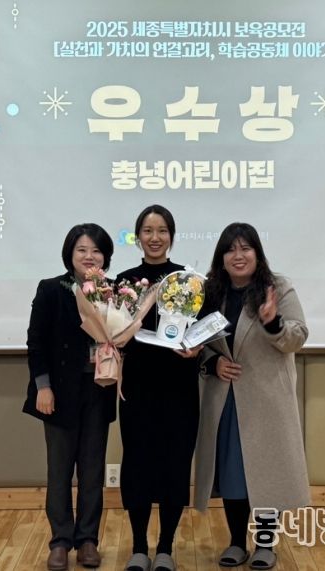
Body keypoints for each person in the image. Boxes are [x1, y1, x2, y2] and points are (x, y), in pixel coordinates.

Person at [194, 222, 310, 570]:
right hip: (224, 397)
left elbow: (298, 336)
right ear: (221, 257)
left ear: (257, 253)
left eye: (245, 248)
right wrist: (212, 362)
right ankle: (235, 541)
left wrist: (273, 322)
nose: (238, 255)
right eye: (230, 249)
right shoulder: (211, 292)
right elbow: (195, 340)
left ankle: (265, 544)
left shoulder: (278, 287)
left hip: (265, 398)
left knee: (265, 471)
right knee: (232, 472)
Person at [23, 223, 117, 571]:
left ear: (105, 256)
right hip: (59, 393)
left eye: (96, 250)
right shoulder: (51, 289)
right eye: (82, 250)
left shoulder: (114, 292)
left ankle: (88, 539)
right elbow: (36, 342)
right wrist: (43, 387)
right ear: (70, 254)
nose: (89, 256)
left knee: (92, 470)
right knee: (59, 470)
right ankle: (60, 541)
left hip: (99, 389)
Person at [116, 205, 200, 571]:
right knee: (137, 465)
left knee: (175, 466)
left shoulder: (187, 280)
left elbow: (202, 331)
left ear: (172, 236)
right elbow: (115, 332)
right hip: (137, 387)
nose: (155, 237)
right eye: (148, 231)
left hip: (180, 388)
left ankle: (165, 548)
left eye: (162, 230)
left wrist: (196, 349)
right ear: (138, 237)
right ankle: (139, 547)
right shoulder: (124, 281)